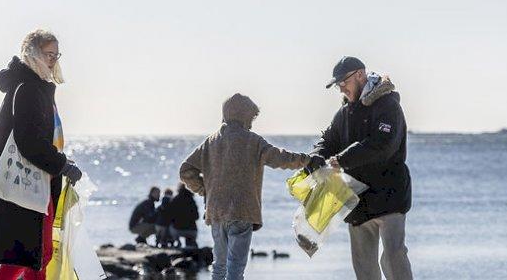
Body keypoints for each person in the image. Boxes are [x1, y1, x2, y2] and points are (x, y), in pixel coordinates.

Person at [179, 93, 322, 280]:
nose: (252, 124)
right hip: (242, 210)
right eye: (251, 118)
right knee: (235, 267)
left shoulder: (210, 142)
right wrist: (306, 160)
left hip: (216, 212)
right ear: (243, 116)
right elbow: (279, 157)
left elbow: (185, 171)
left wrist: (205, 190)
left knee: (219, 266)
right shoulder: (252, 141)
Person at [0, 29, 83, 280]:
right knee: (31, 256)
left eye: (56, 54)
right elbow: (29, 141)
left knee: (35, 256)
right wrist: (61, 164)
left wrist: (60, 163)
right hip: (28, 187)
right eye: (47, 54)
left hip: (35, 183)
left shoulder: (34, 86)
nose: (52, 60)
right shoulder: (29, 88)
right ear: (32, 53)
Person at [308, 56, 413, 280]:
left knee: (393, 257)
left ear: (360, 75)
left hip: (389, 195)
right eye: (337, 85)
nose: (341, 88)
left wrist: (342, 159)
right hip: (357, 199)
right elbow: (328, 139)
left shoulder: (387, 105)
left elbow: (382, 145)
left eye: (343, 82)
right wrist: (316, 157)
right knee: (364, 265)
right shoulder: (344, 113)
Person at [168, 182, 199, 248]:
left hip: (178, 230)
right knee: (190, 239)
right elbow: (197, 216)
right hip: (192, 230)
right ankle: (191, 243)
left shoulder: (174, 200)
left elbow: (170, 216)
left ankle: (176, 242)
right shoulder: (192, 200)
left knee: (169, 225)